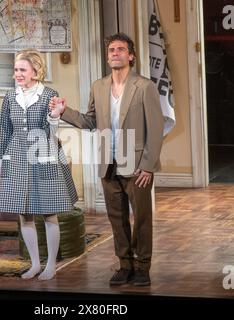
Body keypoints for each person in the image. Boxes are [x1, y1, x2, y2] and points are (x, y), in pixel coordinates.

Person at [50, 33, 164, 286]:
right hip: (107, 162)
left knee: (142, 217)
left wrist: (147, 165)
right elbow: (90, 121)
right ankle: (124, 264)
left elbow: (155, 129)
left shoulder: (144, 86)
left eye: (120, 49)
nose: (114, 53)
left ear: (131, 56)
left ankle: (142, 266)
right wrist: (63, 112)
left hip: (136, 165)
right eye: (111, 49)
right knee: (116, 217)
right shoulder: (98, 86)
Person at [0, 49, 78, 281]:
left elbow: (50, 132)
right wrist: (1, 162)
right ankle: (34, 264)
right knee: (24, 214)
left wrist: (54, 116)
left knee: (49, 213)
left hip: (43, 155)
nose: (17, 74)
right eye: (16, 70)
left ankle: (51, 265)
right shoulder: (10, 97)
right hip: (17, 158)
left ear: (35, 71)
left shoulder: (48, 94)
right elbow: (4, 130)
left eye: (22, 70)